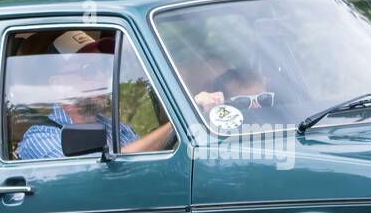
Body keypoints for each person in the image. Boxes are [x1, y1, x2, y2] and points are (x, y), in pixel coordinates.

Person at [15, 30, 225, 159]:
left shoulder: (117, 128)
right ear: (59, 84)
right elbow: (94, 179)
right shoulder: (41, 137)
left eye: (102, 67)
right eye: (89, 69)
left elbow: (147, 161)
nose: (103, 76)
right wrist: (181, 120)